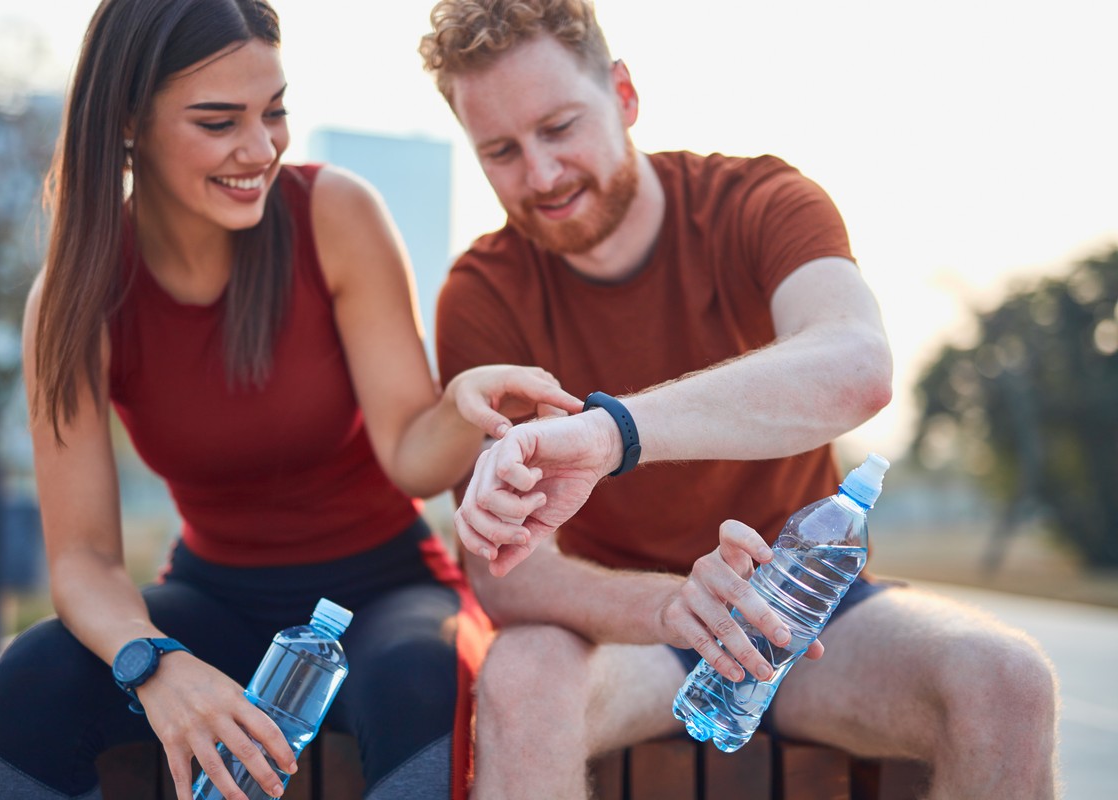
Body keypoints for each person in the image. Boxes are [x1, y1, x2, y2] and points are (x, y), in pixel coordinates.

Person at [419, 1, 1061, 797]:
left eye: (559, 127)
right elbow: (509, 575)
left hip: (809, 614)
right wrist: (669, 606)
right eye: (502, 151)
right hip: (626, 627)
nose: (541, 174)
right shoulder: (482, 291)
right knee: (519, 680)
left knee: (1008, 681)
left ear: (623, 95)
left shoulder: (760, 200)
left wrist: (613, 431)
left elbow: (858, 364)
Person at [0, 2, 582, 799]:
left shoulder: (335, 213)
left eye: (275, 112)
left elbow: (407, 448)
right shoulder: (74, 298)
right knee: (34, 676)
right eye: (219, 120)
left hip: (389, 593)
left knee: (416, 676)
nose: (259, 148)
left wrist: (459, 407)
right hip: (214, 595)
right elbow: (83, 560)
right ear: (128, 122)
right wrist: (154, 663)